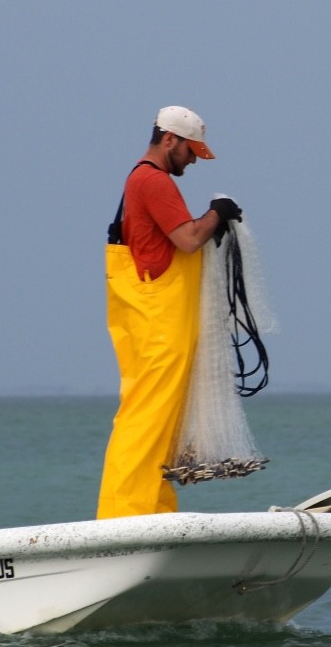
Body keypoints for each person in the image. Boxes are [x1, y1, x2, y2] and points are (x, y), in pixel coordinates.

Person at [96, 105, 242, 519]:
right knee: (147, 415)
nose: (194, 159)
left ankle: (153, 510)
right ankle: (124, 515)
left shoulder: (140, 180)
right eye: (190, 151)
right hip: (158, 319)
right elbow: (188, 239)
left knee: (159, 418)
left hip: (153, 315)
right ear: (169, 140)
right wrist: (219, 211)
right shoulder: (152, 181)